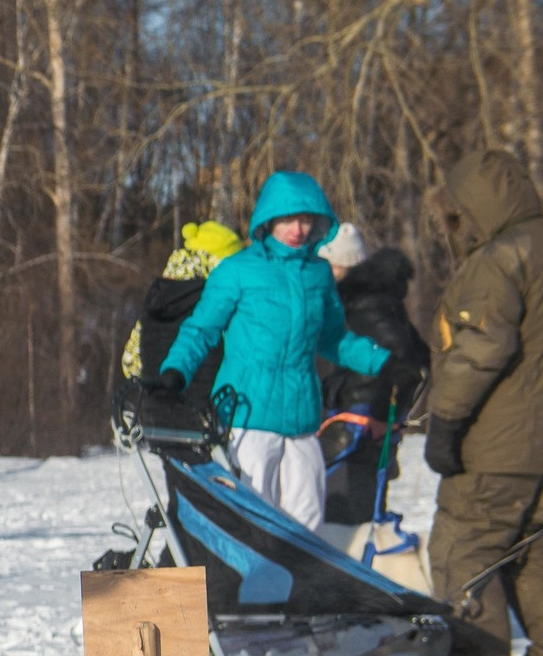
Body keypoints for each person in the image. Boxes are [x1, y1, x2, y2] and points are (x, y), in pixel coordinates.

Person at [155, 170, 388, 531]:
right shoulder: (237, 271)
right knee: (251, 520)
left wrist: (384, 362)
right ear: (268, 219)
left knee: (307, 522)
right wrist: (174, 372)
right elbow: (200, 330)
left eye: (306, 219)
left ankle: (299, 573)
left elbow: (332, 338)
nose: (297, 229)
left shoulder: (318, 274)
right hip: (246, 417)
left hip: (302, 420)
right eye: (287, 219)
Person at [423, 148, 543, 656]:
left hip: (498, 443)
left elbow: (481, 348)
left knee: (463, 542)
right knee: (533, 548)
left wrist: (446, 420)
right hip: (539, 450)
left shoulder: (501, 259)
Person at [320, 241, 429, 527]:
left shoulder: (366, 304)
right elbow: (415, 359)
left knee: (345, 515)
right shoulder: (381, 304)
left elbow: (406, 362)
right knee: (356, 511)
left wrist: (381, 413)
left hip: (359, 421)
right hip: (365, 420)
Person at [119, 220, 243, 405]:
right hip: (206, 411)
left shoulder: (159, 295)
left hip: (154, 408)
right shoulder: (220, 302)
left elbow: (131, 364)